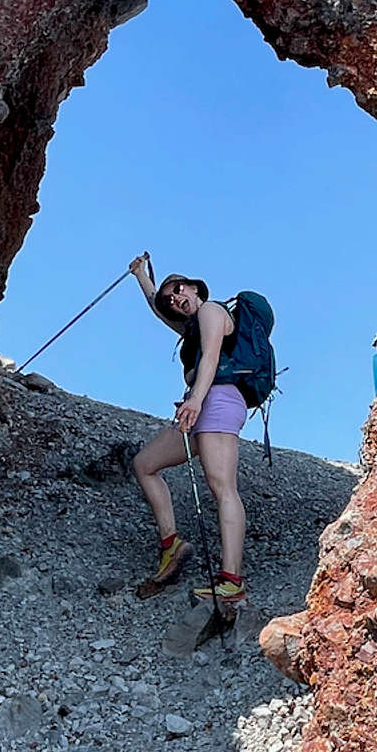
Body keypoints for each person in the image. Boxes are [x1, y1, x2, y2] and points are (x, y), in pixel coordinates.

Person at [128, 255, 248, 603]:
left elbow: (211, 357)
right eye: (170, 298)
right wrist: (140, 277)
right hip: (198, 404)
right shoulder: (190, 327)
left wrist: (194, 401)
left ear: (195, 287)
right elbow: (158, 309)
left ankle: (231, 582)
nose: (174, 298)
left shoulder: (211, 311)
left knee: (222, 486)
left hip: (219, 400)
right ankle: (171, 544)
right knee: (145, 464)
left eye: (178, 290)